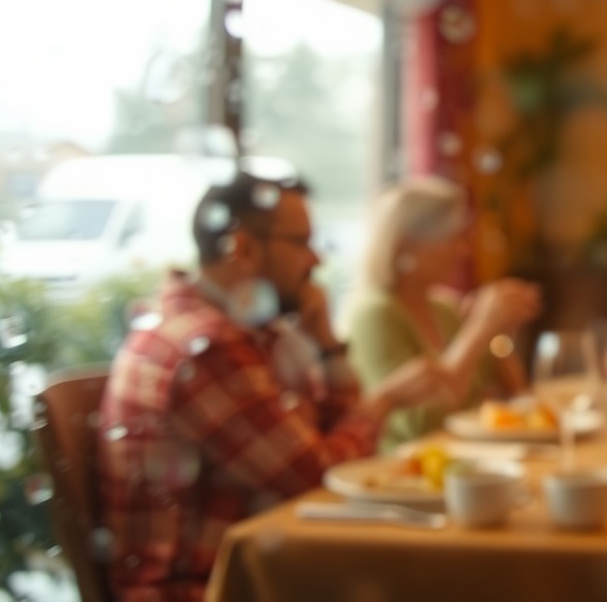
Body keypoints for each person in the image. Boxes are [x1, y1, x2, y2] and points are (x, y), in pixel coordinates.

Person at [98, 172, 450, 601]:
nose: (317, 262)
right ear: (243, 248)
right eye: (301, 243)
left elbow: (329, 443)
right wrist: (384, 402)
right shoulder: (208, 349)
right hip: (203, 590)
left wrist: (327, 346)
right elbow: (318, 476)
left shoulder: (243, 333)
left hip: (263, 573)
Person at [346, 178, 541, 449]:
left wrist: (499, 333)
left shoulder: (444, 308)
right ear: (406, 244)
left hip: (464, 457)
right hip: (404, 470)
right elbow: (419, 423)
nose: (462, 250)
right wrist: (478, 331)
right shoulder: (376, 313)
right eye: (450, 238)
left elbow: (515, 397)